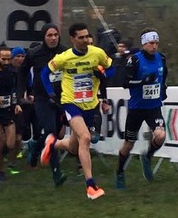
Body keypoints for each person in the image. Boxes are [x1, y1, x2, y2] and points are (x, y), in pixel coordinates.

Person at [40, 22, 114, 200]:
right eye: (81, 37)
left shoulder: (97, 53)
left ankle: (52, 144)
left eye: (87, 36)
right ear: (72, 39)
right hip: (71, 103)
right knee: (86, 138)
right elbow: (44, 73)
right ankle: (91, 186)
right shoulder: (64, 57)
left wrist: (102, 75)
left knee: (74, 146)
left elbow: (111, 70)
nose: (85, 40)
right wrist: (51, 93)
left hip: (91, 104)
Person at [115, 29, 168, 189]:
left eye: (156, 43)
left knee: (160, 136)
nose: (154, 46)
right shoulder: (134, 61)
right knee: (128, 144)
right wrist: (143, 81)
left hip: (154, 107)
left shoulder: (161, 58)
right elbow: (125, 83)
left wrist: (162, 91)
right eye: (151, 43)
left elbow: (163, 76)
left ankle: (147, 156)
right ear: (144, 44)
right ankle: (119, 172)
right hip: (137, 108)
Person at [18, 23, 68, 186]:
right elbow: (22, 71)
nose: (53, 38)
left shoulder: (65, 52)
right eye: (49, 35)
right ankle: (57, 173)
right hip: (42, 99)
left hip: (62, 98)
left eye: (55, 35)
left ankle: (35, 148)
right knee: (51, 133)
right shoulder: (34, 53)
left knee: (55, 134)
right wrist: (21, 93)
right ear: (44, 37)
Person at [0, 45, 22, 181]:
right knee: (1, 143)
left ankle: (6, 159)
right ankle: (0, 171)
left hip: (9, 110)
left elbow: (15, 89)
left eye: (9, 59)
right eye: (4, 59)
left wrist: (17, 104)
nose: (7, 62)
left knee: (11, 144)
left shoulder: (13, 72)